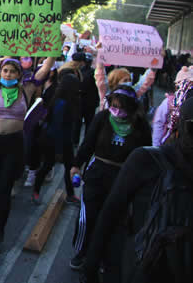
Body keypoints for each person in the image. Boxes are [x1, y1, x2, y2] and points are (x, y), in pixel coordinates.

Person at [81, 97, 193, 283]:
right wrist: (90, 267)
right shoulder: (147, 161)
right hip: (141, 270)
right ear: (180, 126)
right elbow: (110, 214)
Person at [0, 53, 55, 255]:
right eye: (5, 70)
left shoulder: (26, 89)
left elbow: (44, 70)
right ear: (1, 72)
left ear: (19, 74)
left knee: (4, 189)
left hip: (15, 144)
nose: (8, 74)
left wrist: (54, 48)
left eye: (13, 71)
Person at [69, 85, 152, 271]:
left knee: (112, 221)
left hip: (122, 178)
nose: (117, 111)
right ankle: (82, 251)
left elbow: (146, 154)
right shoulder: (102, 118)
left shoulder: (141, 125)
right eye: (114, 106)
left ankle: (102, 255)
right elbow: (88, 143)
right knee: (87, 217)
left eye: (122, 107)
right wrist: (76, 165)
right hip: (97, 173)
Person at [31, 73, 81, 204]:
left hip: (64, 140)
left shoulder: (64, 100)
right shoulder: (62, 103)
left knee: (68, 167)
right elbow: (57, 127)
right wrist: (59, 150)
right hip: (54, 140)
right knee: (48, 165)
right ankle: (36, 190)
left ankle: (70, 194)